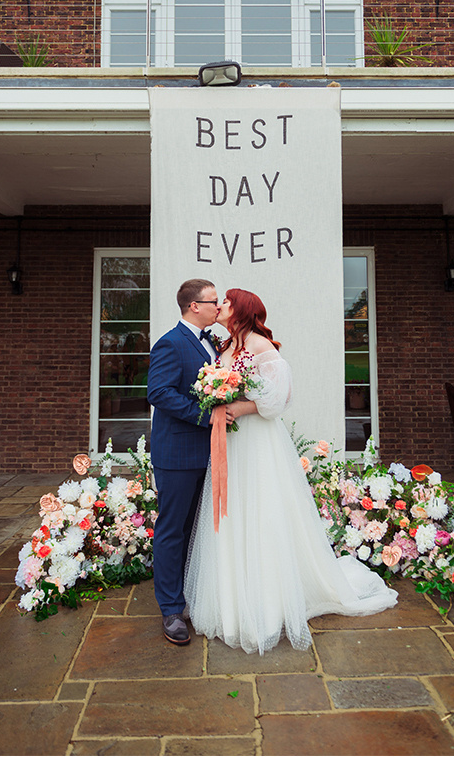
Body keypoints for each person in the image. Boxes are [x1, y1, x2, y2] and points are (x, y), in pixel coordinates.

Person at [184, 288, 398, 653]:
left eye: (227, 302)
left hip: (257, 441)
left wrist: (241, 409)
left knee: (261, 511)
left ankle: (267, 606)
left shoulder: (261, 347)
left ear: (241, 311)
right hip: (231, 443)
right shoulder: (224, 347)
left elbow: (279, 398)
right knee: (231, 511)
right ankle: (231, 601)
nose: (220, 306)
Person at [143, 279, 222, 646]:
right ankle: (171, 609)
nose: (218, 307)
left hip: (208, 453)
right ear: (194, 306)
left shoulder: (212, 343)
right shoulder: (171, 343)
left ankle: (191, 593)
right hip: (176, 453)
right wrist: (204, 416)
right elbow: (158, 392)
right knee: (173, 530)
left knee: (196, 529)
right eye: (213, 302)